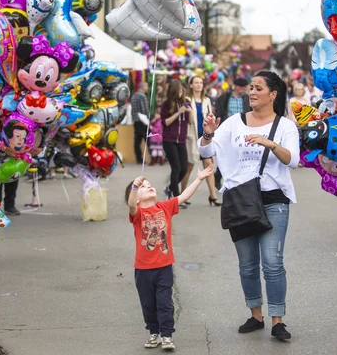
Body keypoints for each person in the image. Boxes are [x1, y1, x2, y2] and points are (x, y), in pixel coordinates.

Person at [198, 70, 300, 340]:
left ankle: (278, 320)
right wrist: (208, 135)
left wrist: (270, 143)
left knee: (273, 262)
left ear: (273, 94)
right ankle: (256, 315)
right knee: (247, 265)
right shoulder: (234, 122)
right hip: (241, 198)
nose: (252, 92)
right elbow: (206, 152)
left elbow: (293, 160)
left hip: (273, 198)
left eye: (258, 88)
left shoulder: (285, 126)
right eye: (251, 87)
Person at [125, 165, 214, 351]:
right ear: (137, 197)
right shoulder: (138, 213)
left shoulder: (164, 207)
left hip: (164, 267)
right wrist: (134, 187)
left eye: (149, 184)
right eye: (144, 186)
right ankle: (154, 332)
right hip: (143, 270)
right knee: (148, 304)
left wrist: (199, 179)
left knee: (165, 302)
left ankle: (166, 335)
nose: (148, 186)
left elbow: (184, 196)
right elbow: (131, 204)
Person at [181, 76, 221, 206]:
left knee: (208, 165)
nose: (199, 85)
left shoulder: (206, 100)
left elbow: (210, 115)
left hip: (204, 135)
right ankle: (183, 195)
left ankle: (213, 196)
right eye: (196, 82)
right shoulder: (187, 99)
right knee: (190, 165)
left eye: (201, 83)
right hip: (191, 134)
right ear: (191, 85)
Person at [213, 77, 251, 191]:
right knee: (226, 154)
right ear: (236, 86)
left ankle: (234, 179)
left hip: (242, 129)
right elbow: (219, 112)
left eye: (245, 87)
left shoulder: (246, 98)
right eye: (242, 87)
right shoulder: (225, 97)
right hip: (227, 129)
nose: (243, 89)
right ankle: (219, 175)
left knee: (238, 154)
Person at [161, 80, 190, 207]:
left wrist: (190, 111)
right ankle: (176, 198)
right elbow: (165, 122)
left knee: (184, 168)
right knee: (176, 168)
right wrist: (178, 112)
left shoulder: (186, 103)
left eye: (181, 90)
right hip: (169, 140)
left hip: (181, 140)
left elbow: (192, 122)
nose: (180, 92)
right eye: (178, 91)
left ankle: (170, 188)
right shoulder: (166, 105)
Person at [131, 81, 150, 165]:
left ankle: (138, 158)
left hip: (136, 121)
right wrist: (148, 118)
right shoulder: (142, 96)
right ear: (143, 87)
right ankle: (154, 157)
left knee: (137, 141)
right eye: (147, 86)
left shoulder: (134, 95)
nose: (148, 88)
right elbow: (144, 109)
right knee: (148, 139)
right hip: (143, 121)